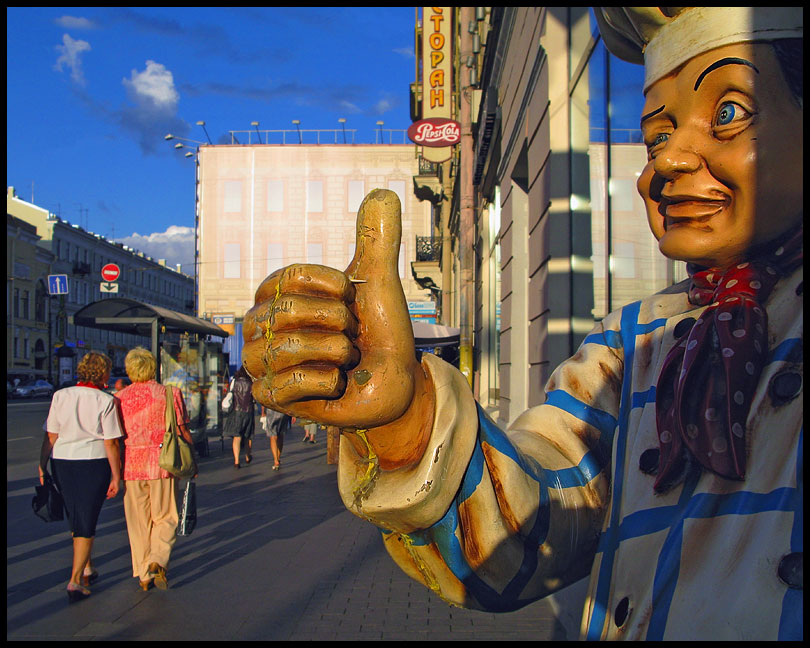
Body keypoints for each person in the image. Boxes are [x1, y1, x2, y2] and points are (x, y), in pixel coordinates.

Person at [241, 7, 802, 640]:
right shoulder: (635, 339)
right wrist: (404, 424)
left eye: (728, 113)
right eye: (655, 137)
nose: (667, 162)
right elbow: (530, 536)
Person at [37, 351, 123, 603]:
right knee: (86, 518)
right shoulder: (105, 400)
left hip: (62, 461)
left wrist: (41, 464)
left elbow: (51, 435)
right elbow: (111, 443)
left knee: (76, 513)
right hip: (93, 462)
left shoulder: (60, 396)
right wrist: (116, 476)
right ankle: (75, 579)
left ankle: (87, 567)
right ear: (104, 373)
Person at [117, 346, 195, 591]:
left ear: (130, 370)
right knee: (166, 516)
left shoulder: (119, 398)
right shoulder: (170, 394)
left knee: (138, 522)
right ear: (153, 368)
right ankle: (157, 560)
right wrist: (192, 460)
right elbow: (181, 429)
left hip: (131, 465)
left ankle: (143, 574)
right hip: (163, 462)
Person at [224, 366, 255, 468]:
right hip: (248, 411)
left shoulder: (234, 381)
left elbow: (230, 394)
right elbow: (254, 399)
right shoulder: (251, 383)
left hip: (237, 411)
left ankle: (237, 460)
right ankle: (247, 456)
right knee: (247, 436)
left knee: (237, 437)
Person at [261, 405, 291, 470]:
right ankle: (278, 458)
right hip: (283, 411)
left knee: (272, 436)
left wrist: (263, 412)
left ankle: (276, 460)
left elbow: (264, 399)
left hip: (271, 410)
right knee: (280, 435)